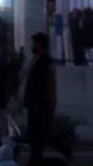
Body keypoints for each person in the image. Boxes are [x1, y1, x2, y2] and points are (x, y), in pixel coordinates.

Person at [24, 32, 68, 165]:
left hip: (40, 104)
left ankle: (37, 158)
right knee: (39, 134)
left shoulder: (45, 62)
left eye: (34, 43)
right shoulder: (37, 60)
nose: (32, 46)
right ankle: (35, 158)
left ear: (40, 45)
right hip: (35, 103)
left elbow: (43, 85)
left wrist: (40, 103)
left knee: (41, 134)